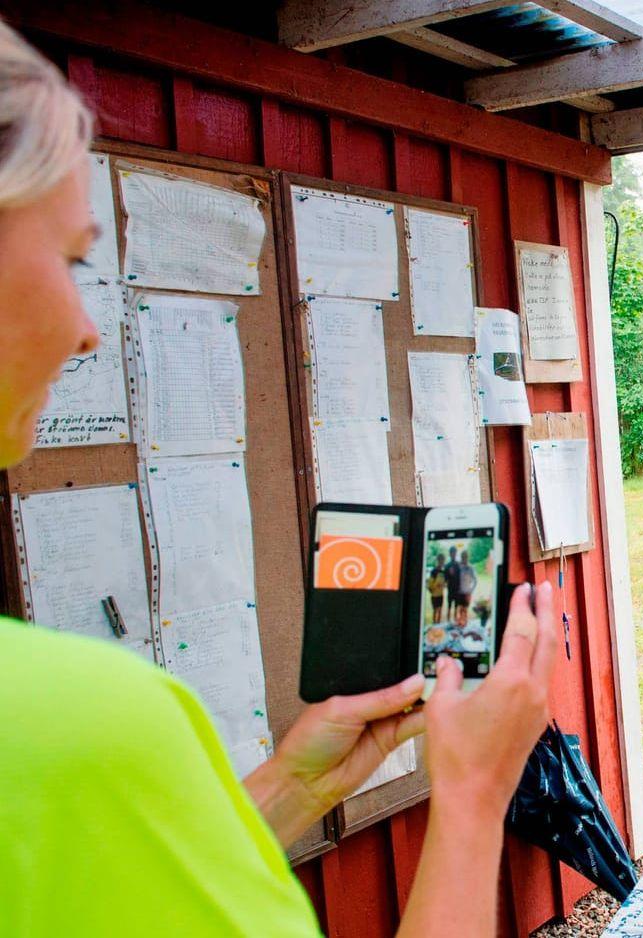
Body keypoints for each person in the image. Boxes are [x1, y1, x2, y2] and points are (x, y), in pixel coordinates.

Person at [0, 19, 556, 935]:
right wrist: (471, 797)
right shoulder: (85, 720)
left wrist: (294, 785)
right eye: (68, 260)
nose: (87, 325)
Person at [455, 549, 477, 628]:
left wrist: (470, 590)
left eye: (465, 557)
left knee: (465, 609)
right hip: (459, 592)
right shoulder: (459, 567)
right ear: (461, 557)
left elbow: (475, 581)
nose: (464, 558)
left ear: (468, 557)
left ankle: (465, 624)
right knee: (460, 609)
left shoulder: (471, 567)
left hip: (467, 592)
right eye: (462, 556)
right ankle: (460, 624)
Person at [443, 545, 461, 623]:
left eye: (454, 552)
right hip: (450, 588)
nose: (453, 554)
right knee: (449, 605)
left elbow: (460, 576)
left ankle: (455, 620)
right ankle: (448, 620)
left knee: (456, 606)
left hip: (457, 589)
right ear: (450, 554)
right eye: (452, 552)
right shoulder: (447, 565)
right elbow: (445, 578)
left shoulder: (458, 564)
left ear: (456, 553)